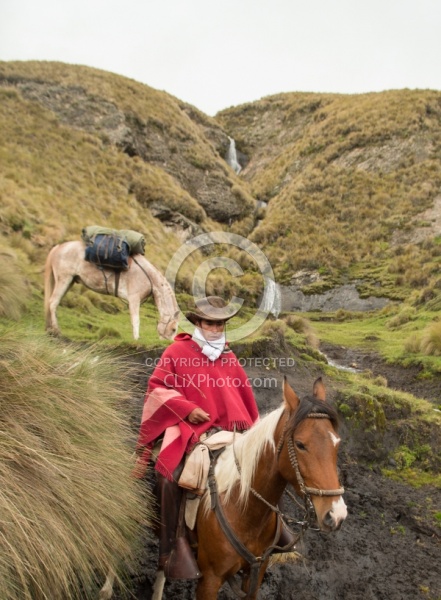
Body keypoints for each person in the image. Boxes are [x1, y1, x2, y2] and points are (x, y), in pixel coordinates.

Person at [134, 296, 259, 579]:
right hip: (186, 429)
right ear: (198, 323)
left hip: (229, 432)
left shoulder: (228, 357)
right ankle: (170, 548)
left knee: (264, 467)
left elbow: (243, 400)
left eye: (220, 323)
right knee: (168, 477)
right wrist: (187, 409)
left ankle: (271, 537)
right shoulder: (176, 352)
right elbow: (156, 388)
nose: (215, 328)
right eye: (209, 323)